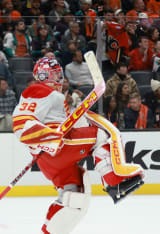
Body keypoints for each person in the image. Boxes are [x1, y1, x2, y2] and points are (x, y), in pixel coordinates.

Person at [12, 57, 144, 233]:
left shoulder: (54, 96)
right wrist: (49, 137)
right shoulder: (36, 90)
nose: (60, 79)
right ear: (44, 76)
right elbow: (20, 124)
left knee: (74, 197)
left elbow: (64, 123)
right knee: (101, 134)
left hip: (50, 161)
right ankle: (114, 180)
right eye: (56, 75)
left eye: (60, 74)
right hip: (59, 147)